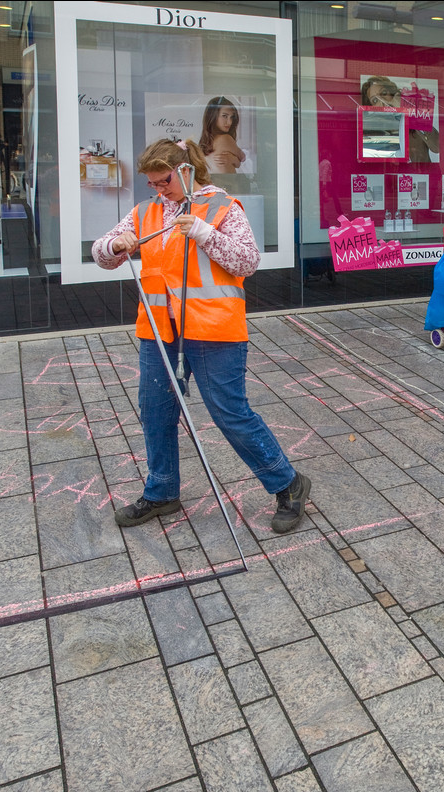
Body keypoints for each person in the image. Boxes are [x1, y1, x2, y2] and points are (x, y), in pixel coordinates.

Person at [92, 138, 312, 534]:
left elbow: (248, 262)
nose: (159, 189)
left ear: (186, 170)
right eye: (153, 183)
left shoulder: (221, 206)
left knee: (230, 413)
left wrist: (204, 233)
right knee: (156, 411)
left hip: (213, 329)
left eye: (164, 181)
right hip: (161, 330)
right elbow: (102, 254)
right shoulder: (147, 212)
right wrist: (113, 244)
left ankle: (288, 484)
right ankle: (162, 492)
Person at [360, 75, 440, 163]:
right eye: (375, 100)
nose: (382, 101)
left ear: (393, 93)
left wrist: (407, 111)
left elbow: (437, 147)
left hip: (422, 174)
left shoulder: (413, 116)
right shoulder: (374, 129)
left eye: (384, 93)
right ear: (372, 107)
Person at [199, 97, 245, 175]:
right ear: (212, 116)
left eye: (232, 117)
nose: (230, 122)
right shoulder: (225, 139)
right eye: (224, 116)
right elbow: (242, 157)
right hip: (229, 183)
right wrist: (234, 159)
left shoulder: (205, 144)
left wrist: (234, 160)